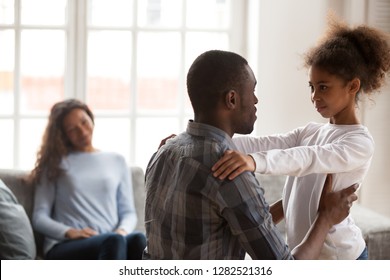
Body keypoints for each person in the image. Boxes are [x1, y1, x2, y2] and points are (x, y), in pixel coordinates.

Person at [144, 50, 358, 260]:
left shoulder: (163, 153)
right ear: (232, 99)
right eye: (252, 90)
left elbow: (239, 226)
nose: (256, 100)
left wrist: (293, 199)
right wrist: (326, 218)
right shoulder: (229, 170)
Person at [211, 18, 390, 259]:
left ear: (352, 86)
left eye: (323, 87)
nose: (315, 96)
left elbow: (308, 158)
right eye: (312, 87)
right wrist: (204, 138)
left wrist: (254, 161)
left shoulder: (360, 143)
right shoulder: (310, 132)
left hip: (342, 259)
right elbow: (267, 143)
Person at [29, 99, 146, 260]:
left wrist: (121, 231)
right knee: (113, 241)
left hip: (110, 240)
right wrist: (71, 233)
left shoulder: (117, 161)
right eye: (72, 129)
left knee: (138, 239)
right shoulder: (55, 163)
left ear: (91, 118)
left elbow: (128, 213)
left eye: (84, 122)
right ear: (62, 134)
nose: (82, 132)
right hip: (65, 244)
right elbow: (39, 218)